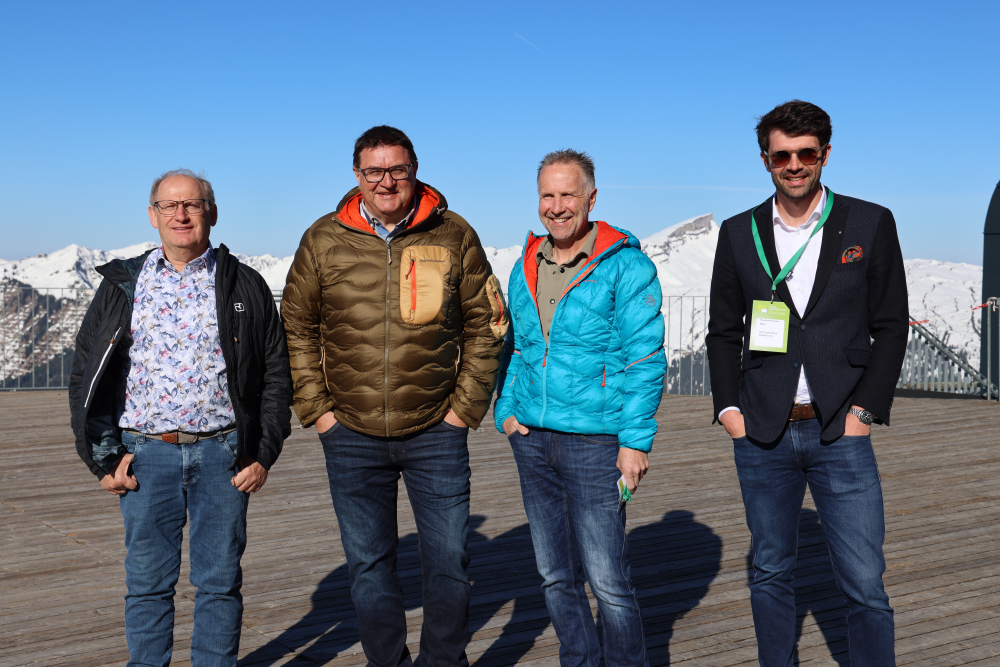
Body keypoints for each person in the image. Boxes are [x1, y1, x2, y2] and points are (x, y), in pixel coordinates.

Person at [281, 125, 508, 666]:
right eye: (374, 171)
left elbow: (488, 323)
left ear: (415, 170)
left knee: (449, 563)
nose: (386, 181)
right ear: (356, 175)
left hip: (436, 431)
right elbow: (296, 326)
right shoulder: (323, 238)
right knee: (368, 566)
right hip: (350, 432)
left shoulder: (453, 234)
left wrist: (463, 411)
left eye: (397, 170)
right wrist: (319, 411)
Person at [706, 100, 908, 666]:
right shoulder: (738, 232)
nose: (794, 165)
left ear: (825, 154)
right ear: (765, 160)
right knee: (770, 571)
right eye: (781, 156)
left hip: (841, 428)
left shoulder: (870, 222)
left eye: (806, 153)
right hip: (762, 432)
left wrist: (864, 413)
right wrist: (729, 411)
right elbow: (722, 332)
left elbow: (891, 325)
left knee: (864, 581)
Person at [68, 168, 292, 666]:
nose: (181, 214)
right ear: (153, 216)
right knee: (147, 585)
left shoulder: (245, 283)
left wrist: (263, 452)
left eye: (192, 204)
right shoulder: (122, 285)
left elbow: (276, 373)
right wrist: (102, 458)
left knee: (219, 584)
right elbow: (87, 370)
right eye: (169, 205)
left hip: (223, 455)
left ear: (212, 213)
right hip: (145, 455)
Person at [493, 149, 665, 667]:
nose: (557, 206)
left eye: (568, 194)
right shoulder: (525, 265)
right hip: (532, 440)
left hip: (596, 442)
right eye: (548, 195)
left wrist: (635, 442)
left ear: (591, 198)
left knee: (607, 578)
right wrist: (506, 409)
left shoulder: (626, 266)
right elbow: (517, 348)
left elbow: (645, 358)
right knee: (554, 574)